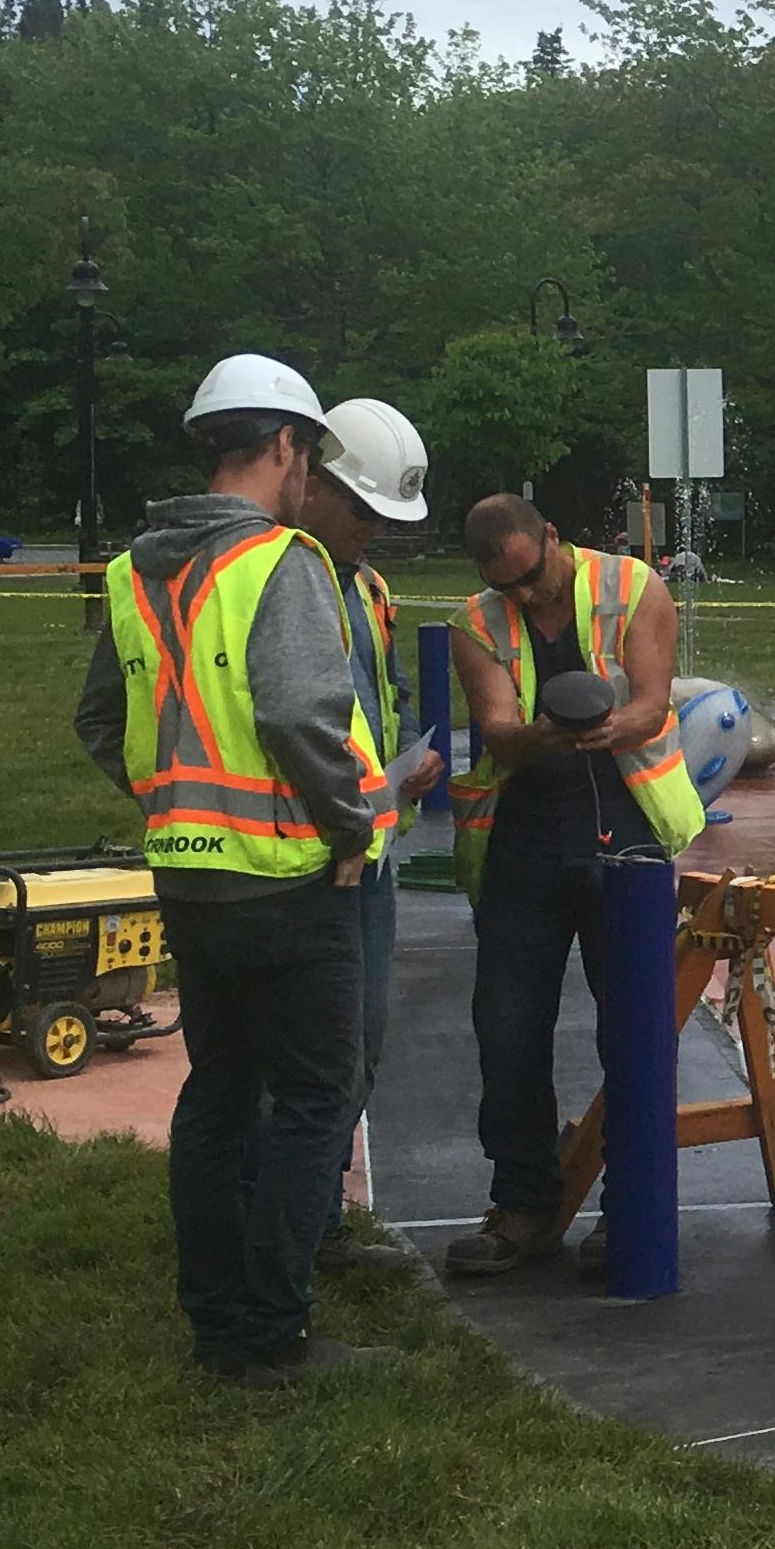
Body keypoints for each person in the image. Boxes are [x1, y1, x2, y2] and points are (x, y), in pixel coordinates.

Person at [73, 354, 392, 1389]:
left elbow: (98, 723)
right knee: (312, 1099)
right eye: (310, 458)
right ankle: (271, 1329)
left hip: (188, 879)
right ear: (287, 447)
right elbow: (303, 715)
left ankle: (217, 1321)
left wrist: (173, 801)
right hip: (288, 882)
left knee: (217, 1096)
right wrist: (348, 830)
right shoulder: (277, 561)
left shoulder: (136, 569)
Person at [442, 491, 700, 1275]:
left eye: (535, 577)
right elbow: (496, 733)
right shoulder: (474, 625)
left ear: (555, 537)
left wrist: (606, 726)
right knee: (508, 1028)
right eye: (508, 587)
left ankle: (633, 1204)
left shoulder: (632, 587)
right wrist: (543, 736)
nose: (527, 597)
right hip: (524, 844)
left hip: (629, 832)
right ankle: (525, 1204)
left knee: (633, 1028)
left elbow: (653, 704)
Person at [289, 394, 442, 1279]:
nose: (374, 532)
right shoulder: (284, 578)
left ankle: (316, 1220)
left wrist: (396, 773)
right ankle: (293, 1234)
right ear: (312, 480)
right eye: (364, 510)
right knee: (317, 1053)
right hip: (306, 859)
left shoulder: (368, 588)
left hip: (368, 850)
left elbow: (367, 707)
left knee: (359, 1045)